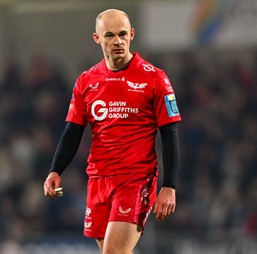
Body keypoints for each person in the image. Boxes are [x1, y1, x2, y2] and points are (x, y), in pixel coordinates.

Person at [43, 8, 181, 254]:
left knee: (113, 252)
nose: (117, 41)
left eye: (122, 34)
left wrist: (168, 186)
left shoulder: (155, 78)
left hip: (136, 180)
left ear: (132, 35)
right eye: (109, 35)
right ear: (97, 38)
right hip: (99, 180)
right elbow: (72, 131)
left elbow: (169, 134)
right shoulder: (86, 81)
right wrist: (56, 169)